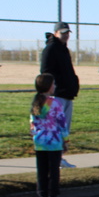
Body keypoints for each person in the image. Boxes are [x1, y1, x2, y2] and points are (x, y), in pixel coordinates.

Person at [39, 22, 79, 168]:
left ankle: (59, 157)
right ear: (56, 33)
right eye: (63, 33)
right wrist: (52, 88)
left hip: (67, 94)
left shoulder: (64, 49)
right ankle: (54, 159)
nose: (66, 35)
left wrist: (73, 84)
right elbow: (45, 71)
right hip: (57, 95)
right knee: (55, 127)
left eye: (67, 33)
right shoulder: (50, 49)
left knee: (64, 128)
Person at [29, 73, 68, 197]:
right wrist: (66, 140)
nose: (55, 86)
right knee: (53, 170)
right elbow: (62, 123)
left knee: (42, 170)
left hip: (39, 141)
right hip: (54, 141)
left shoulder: (36, 103)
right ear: (49, 86)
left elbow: (32, 123)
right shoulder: (55, 103)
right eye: (53, 84)